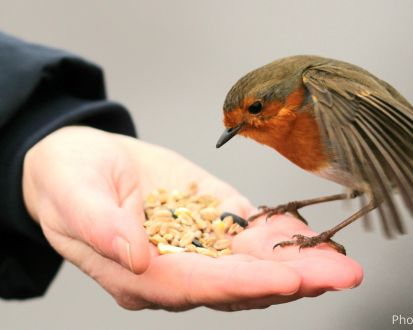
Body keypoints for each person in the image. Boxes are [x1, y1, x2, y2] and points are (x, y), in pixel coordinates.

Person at [0, 31, 362, 311]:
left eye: (254, 109)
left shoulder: (312, 99)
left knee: (365, 186)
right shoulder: (286, 122)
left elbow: (373, 164)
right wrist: (28, 145)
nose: (241, 127)